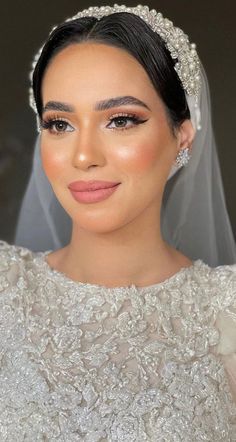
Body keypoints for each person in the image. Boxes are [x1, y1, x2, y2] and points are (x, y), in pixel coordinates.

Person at [1, 4, 236, 440]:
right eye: (60, 124)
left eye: (120, 120)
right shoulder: (4, 288)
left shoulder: (227, 314)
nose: (85, 155)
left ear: (182, 134)